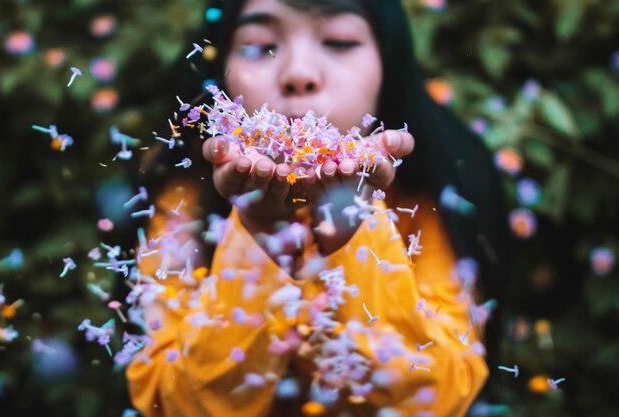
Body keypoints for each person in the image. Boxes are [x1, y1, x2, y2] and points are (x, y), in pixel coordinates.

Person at [126, 0, 509, 416]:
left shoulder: (433, 197)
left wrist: (350, 233)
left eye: (340, 41)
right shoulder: (185, 199)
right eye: (260, 45)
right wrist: (260, 240)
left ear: (389, 67)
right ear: (220, 75)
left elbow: (436, 400)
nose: (298, 75)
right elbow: (170, 401)